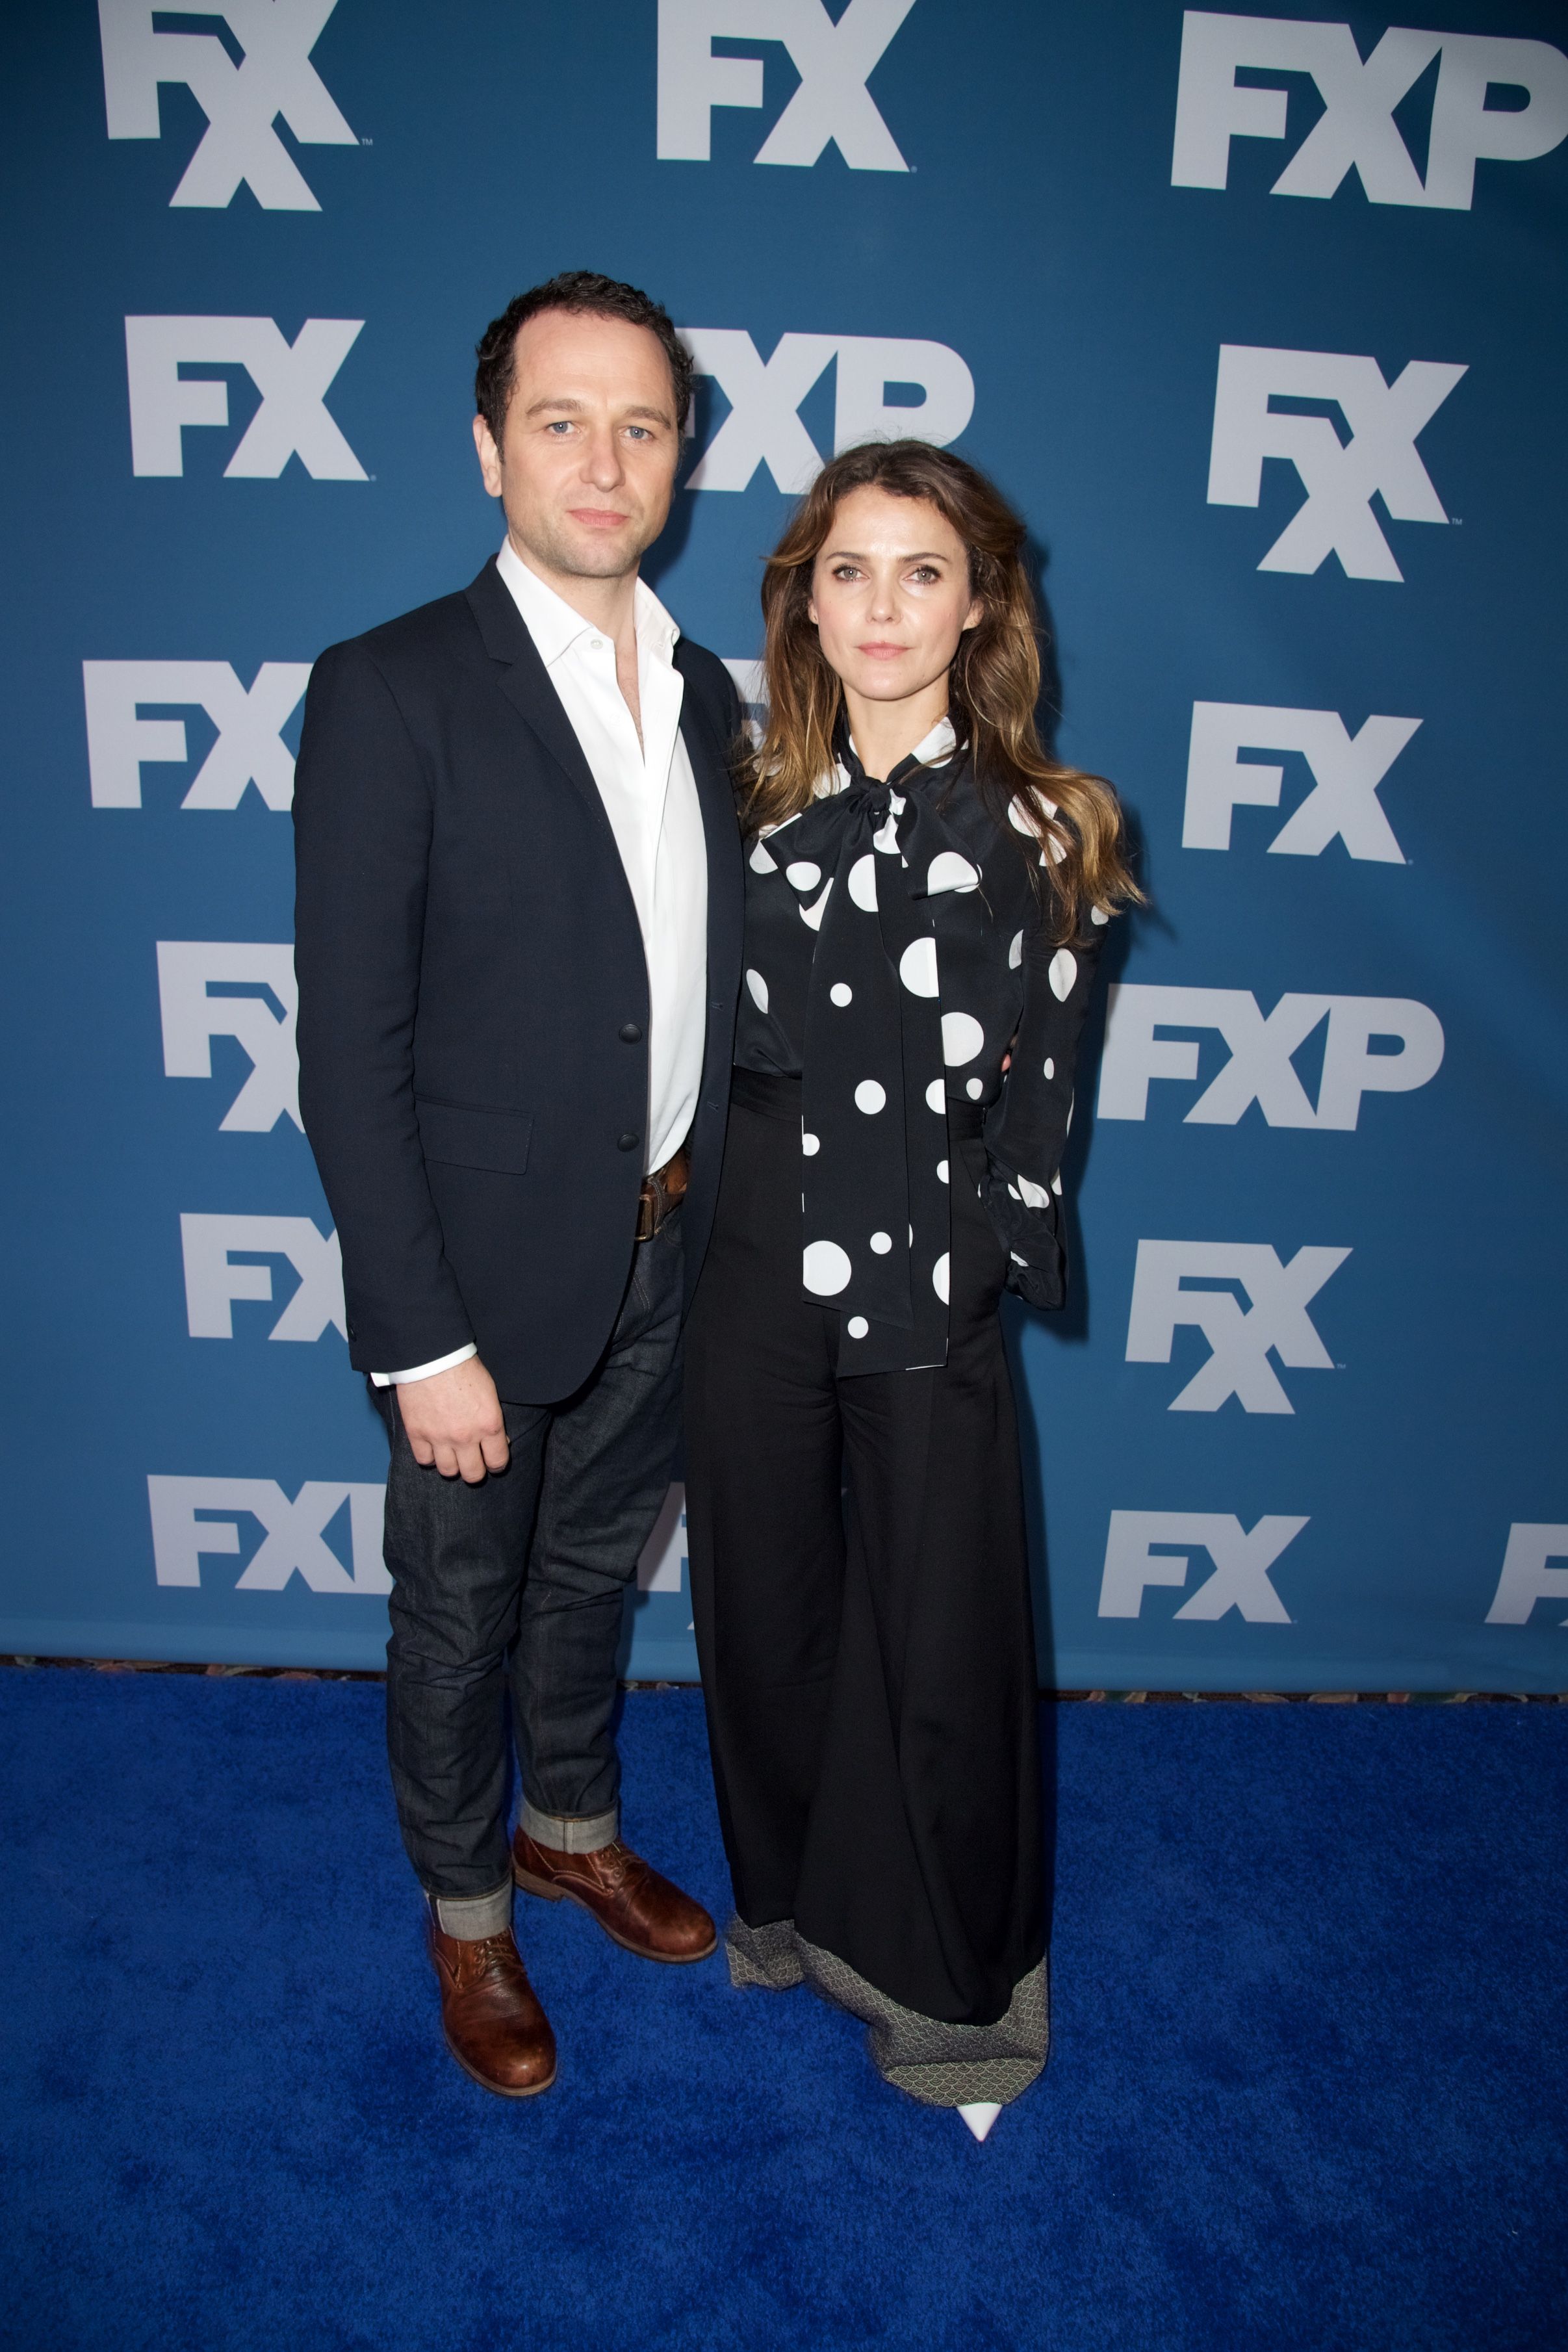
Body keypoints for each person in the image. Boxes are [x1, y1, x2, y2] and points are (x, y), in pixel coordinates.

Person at [292, 272, 743, 2099]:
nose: (604, 457)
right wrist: (417, 1337)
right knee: (461, 1606)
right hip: (473, 1287)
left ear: (682, 455)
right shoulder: (390, 688)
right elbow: (350, 1052)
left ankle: (570, 1820)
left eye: (641, 423)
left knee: (586, 1581)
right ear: (489, 448)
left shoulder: (719, 695)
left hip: (669, 1244)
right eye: (561, 420)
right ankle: (468, 1913)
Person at [683, 439, 1139, 2131]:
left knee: (940, 1634)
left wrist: (983, 1257)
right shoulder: (733, 797)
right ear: (804, 598)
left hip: (928, 1260)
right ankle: (791, 1915)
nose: (882, 605)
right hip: (747, 1258)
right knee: (764, 1600)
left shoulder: (1048, 823)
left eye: (921, 570)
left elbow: (1046, 1098)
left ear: (979, 606)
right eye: (847, 569)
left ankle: (957, 2003)